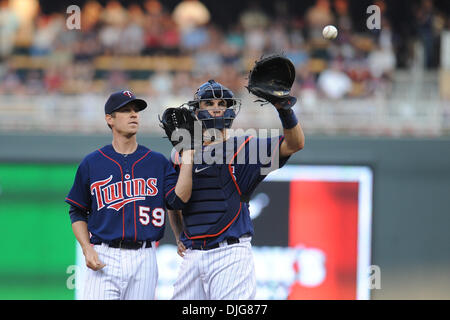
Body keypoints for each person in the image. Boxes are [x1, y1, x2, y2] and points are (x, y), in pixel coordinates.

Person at [167, 80, 305, 299]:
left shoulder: (245, 147)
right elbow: (173, 203)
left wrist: (284, 109)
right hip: (192, 255)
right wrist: (177, 236)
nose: (216, 107)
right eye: (208, 103)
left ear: (230, 109)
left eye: (222, 103)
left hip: (229, 253)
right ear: (197, 110)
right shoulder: (180, 154)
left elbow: (295, 143)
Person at [65, 90, 192, 300]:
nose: (134, 115)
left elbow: (176, 201)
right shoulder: (92, 163)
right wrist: (87, 249)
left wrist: (188, 156)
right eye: (125, 110)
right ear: (109, 119)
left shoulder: (157, 162)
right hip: (105, 254)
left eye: (136, 110)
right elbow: (77, 211)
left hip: (145, 256)